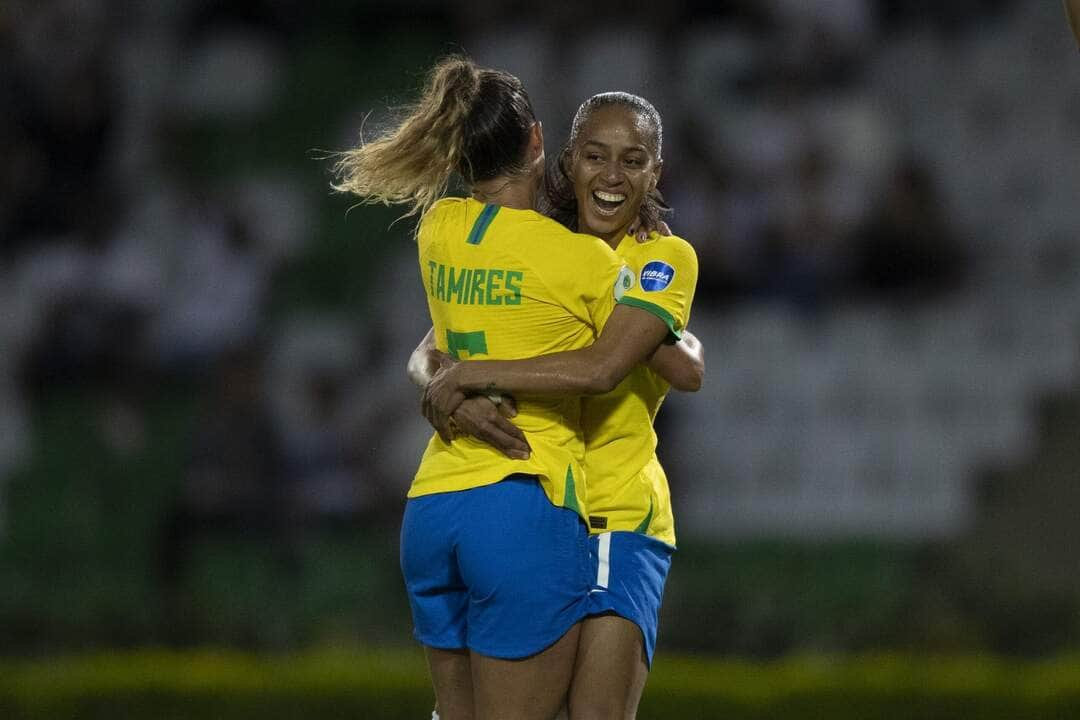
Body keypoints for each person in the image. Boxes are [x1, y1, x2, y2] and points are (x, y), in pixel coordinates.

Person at [333, 58, 679, 720]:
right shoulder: (582, 261)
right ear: (539, 142)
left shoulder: (439, 231)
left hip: (434, 508)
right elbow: (660, 357)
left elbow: (432, 347)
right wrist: (655, 271)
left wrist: (447, 380)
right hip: (526, 498)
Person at [416, 92, 701, 719]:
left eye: (634, 161)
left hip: (615, 514)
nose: (612, 176)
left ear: (656, 173)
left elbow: (683, 368)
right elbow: (431, 349)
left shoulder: (660, 257)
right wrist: (446, 391)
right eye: (596, 156)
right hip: (540, 507)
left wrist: (464, 378)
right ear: (566, 161)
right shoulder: (543, 247)